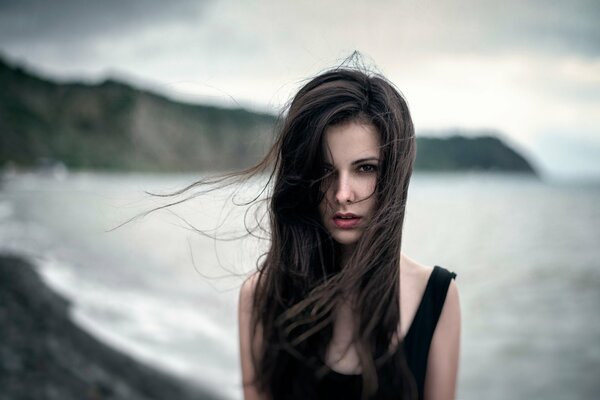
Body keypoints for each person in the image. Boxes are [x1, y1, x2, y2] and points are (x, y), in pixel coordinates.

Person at [238, 66, 461, 400]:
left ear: (393, 176)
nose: (342, 193)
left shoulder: (437, 297)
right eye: (325, 171)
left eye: (365, 168)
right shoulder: (262, 296)